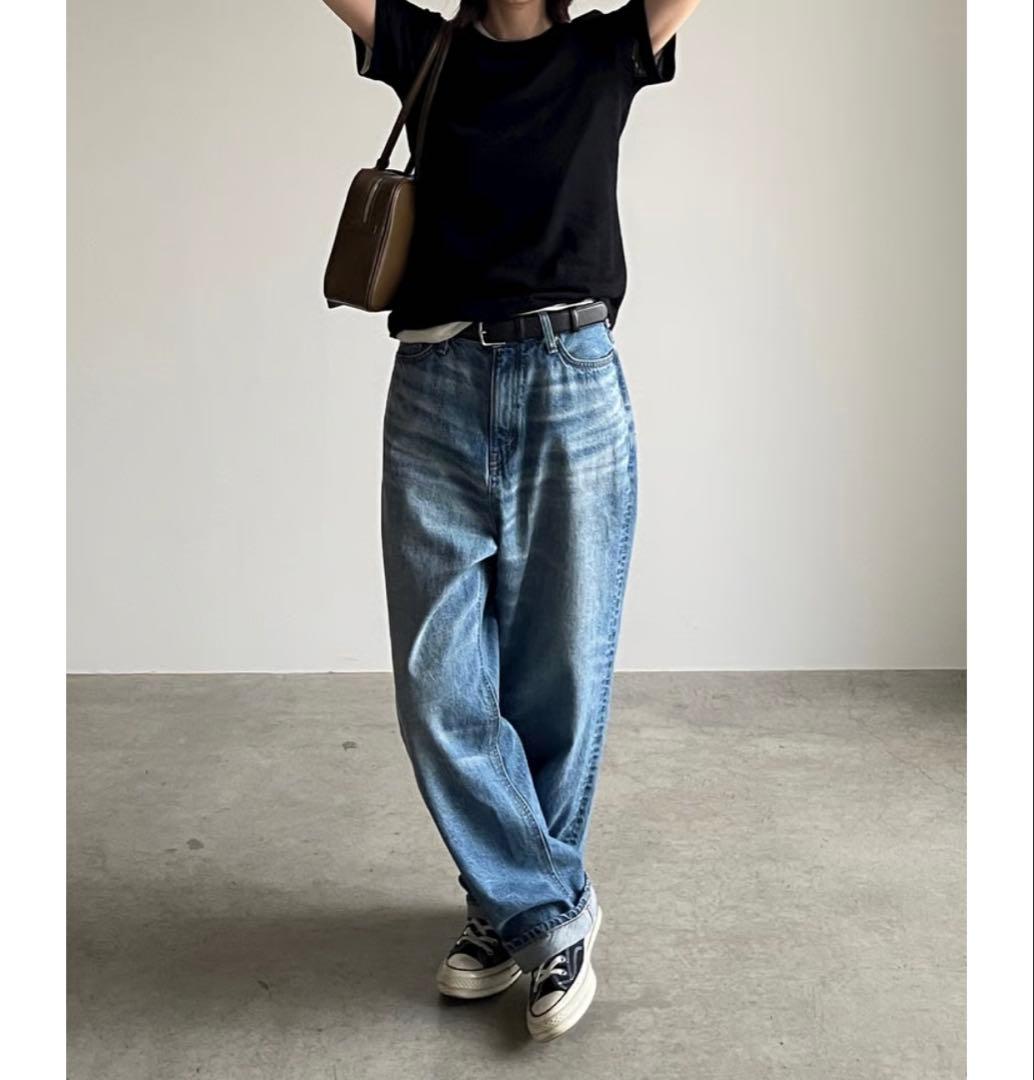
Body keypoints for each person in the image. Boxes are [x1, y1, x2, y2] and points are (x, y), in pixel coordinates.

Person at [322, 0, 699, 1041]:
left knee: (556, 677)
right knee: (436, 684)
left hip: (570, 380)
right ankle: (548, 911)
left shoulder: (606, 50)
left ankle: (505, 910)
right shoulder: (425, 46)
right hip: (434, 388)